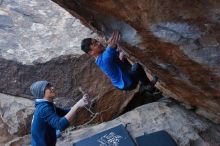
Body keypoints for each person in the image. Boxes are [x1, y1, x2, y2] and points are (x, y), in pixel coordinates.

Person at [81, 32, 158, 92]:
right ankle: (147, 86)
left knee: (121, 58)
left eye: (97, 41)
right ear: (91, 52)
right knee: (136, 67)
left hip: (121, 81)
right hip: (127, 83)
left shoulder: (99, 59)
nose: (99, 43)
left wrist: (120, 53)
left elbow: (112, 52)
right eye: (95, 44)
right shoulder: (105, 58)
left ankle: (142, 83)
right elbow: (112, 44)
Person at [30, 80, 89, 146]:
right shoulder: (44, 108)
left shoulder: (46, 104)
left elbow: (64, 112)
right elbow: (60, 125)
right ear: (41, 92)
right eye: (48, 87)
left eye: (51, 86)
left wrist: (79, 105)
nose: (52, 88)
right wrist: (77, 105)